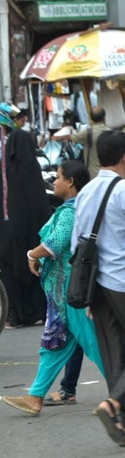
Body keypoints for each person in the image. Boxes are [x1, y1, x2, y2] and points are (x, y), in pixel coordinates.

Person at [2, 161, 105, 415]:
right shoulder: (80, 207)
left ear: (70, 181)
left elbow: (55, 244)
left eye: (58, 177)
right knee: (54, 346)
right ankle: (36, 396)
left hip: (72, 293)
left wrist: (31, 254)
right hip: (63, 295)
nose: (55, 181)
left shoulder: (71, 211)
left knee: (99, 347)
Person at [72, 130, 125, 446]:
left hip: (95, 285)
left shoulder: (85, 192)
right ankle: (114, 404)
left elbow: (77, 243)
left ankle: (124, 421)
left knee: (114, 355)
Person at [0, 108, 49, 330]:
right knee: (36, 268)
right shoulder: (35, 172)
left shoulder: (6, 174)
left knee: (10, 272)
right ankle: (39, 311)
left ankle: (16, 316)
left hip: (10, 235)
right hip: (35, 235)